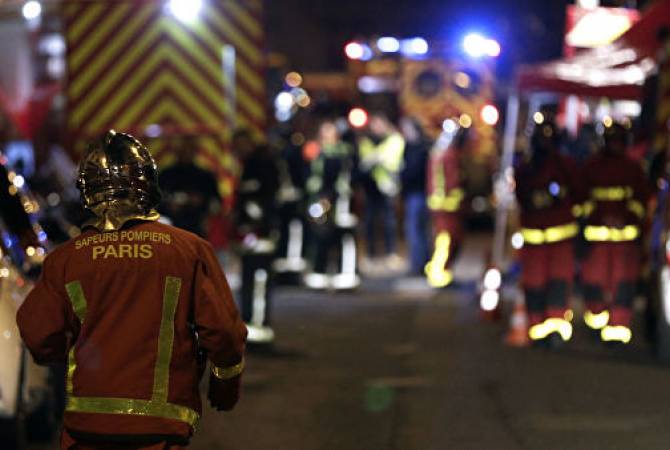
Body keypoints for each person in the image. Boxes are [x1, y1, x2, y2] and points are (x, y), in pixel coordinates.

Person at [16, 131, 247, 449]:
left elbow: (38, 335)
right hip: (161, 427)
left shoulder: (66, 259)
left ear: (88, 190)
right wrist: (226, 383)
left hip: (86, 428)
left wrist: (65, 354)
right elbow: (223, 333)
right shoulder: (189, 250)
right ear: (148, 184)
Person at [581, 122, 650, 345]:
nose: (615, 145)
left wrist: (626, 218)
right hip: (597, 242)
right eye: (612, 141)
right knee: (594, 284)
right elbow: (582, 200)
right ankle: (595, 324)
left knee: (623, 286)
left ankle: (617, 331)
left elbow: (641, 201)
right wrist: (598, 217)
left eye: (619, 141)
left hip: (624, 243)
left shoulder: (633, 169)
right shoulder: (591, 168)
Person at [515, 120, 582, 347]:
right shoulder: (525, 167)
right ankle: (539, 330)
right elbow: (523, 198)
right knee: (536, 286)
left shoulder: (564, 165)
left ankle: (553, 331)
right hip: (537, 241)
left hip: (558, 242)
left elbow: (578, 195)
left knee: (557, 285)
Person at [233, 129, 281, 343]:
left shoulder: (259, 165)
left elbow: (260, 201)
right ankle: (251, 326)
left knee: (258, 281)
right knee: (251, 282)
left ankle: (257, 328)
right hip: (254, 234)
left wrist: (250, 226)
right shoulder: (252, 164)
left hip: (260, 234)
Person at [304, 119, 359, 290]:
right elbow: (311, 176)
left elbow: (353, 174)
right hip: (322, 199)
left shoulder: (345, 152)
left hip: (343, 201)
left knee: (344, 237)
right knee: (321, 237)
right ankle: (319, 273)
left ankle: (345, 274)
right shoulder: (315, 151)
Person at [358, 113, 405, 269]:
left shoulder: (393, 139)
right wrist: (375, 159)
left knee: (389, 221)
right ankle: (370, 254)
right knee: (370, 221)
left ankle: (391, 253)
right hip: (371, 188)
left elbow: (392, 161)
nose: (377, 128)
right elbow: (364, 163)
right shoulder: (366, 141)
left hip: (387, 187)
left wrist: (376, 159)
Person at [424, 127, 469, 288]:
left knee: (444, 239)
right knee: (445, 240)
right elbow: (453, 181)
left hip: (442, 205)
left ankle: (442, 271)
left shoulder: (438, 153)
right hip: (447, 206)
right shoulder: (449, 155)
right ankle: (438, 273)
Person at [158, 135, 221, 237]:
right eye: (182, 150)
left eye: (189, 150)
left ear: (194, 152)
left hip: (197, 227)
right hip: (170, 229)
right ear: (176, 152)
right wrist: (168, 205)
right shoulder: (165, 175)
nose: (186, 153)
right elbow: (154, 201)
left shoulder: (205, 177)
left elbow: (216, 203)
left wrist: (202, 201)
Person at [399, 117, 431, 276]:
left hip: (419, 193)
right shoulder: (409, 147)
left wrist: (402, 174)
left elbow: (414, 171)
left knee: (416, 230)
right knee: (418, 230)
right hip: (412, 193)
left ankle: (419, 265)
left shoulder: (421, 148)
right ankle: (420, 263)